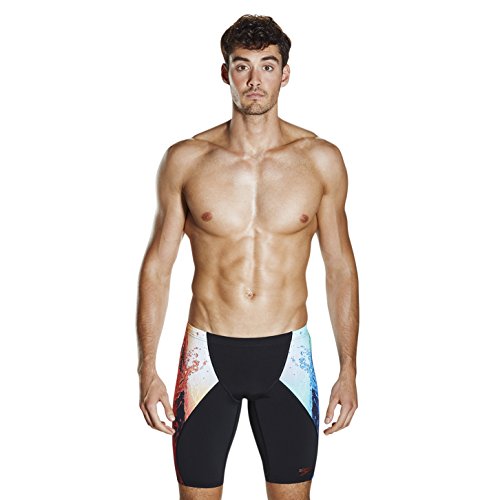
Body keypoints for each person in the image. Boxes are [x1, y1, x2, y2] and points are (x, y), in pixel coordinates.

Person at [136, 14, 359, 500]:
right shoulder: (187, 160)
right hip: (206, 354)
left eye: (267, 66)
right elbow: (157, 267)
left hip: (289, 355)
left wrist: (349, 368)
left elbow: (340, 268)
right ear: (226, 73)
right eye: (242, 66)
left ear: (285, 73)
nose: (255, 80)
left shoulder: (320, 160)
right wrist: (146, 369)